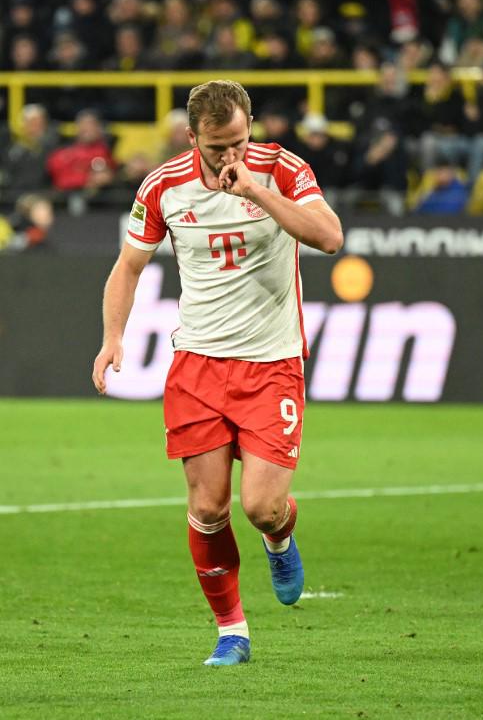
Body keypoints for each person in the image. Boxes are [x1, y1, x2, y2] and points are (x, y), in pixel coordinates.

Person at [91, 80, 343, 667]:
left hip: (272, 364)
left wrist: (255, 189)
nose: (229, 155)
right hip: (198, 365)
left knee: (261, 507)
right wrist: (112, 337)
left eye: (237, 142)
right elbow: (128, 267)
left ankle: (279, 535)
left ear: (250, 126)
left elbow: (330, 237)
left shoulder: (282, 169)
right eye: (216, 147)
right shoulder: (163, 186)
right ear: (191, 138)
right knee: (207, 508)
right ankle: (232, 632)